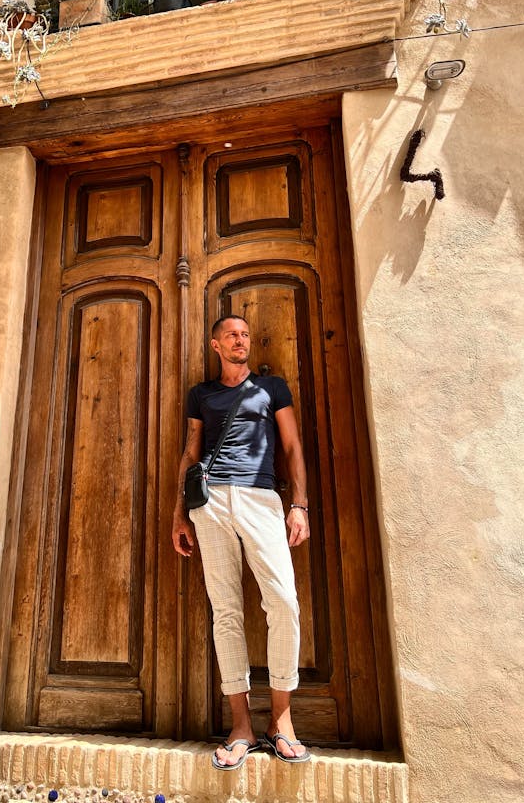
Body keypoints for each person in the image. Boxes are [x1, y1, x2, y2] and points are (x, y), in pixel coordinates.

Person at [171, 315, 311, 771]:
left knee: (284, 602)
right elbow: (192, 451)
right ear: (216, 344)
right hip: (210, 502)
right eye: (232, 335)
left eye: (246, 335)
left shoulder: (273, 389)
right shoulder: (202, 394)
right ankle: (241, 726)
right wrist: (180, 513)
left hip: (260, 498)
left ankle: (281, 721)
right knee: (226, 610)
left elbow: (291, 447)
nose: (241, 340)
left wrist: (300, 505)